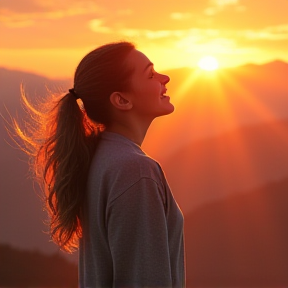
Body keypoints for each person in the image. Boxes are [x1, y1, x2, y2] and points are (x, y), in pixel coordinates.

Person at [17, 42, 185, 287]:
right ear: (121, 100)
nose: (165, 77)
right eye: (150, 74)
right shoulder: (135, 171)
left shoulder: (100, 157)